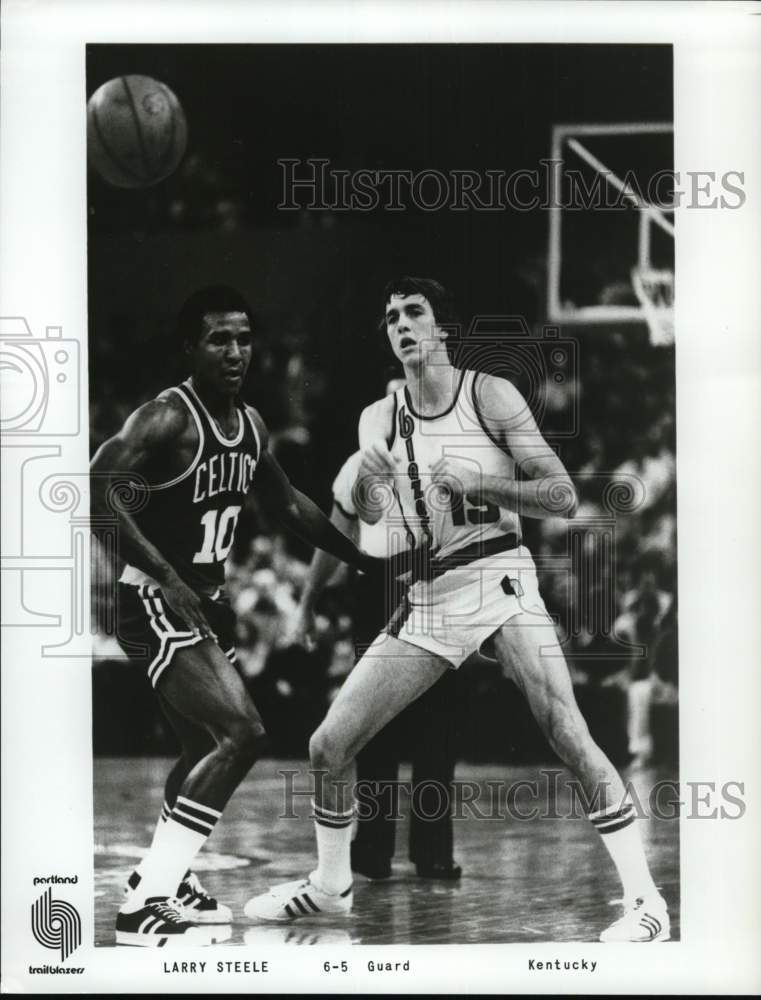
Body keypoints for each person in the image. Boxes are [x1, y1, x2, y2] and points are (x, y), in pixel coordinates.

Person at [246, 276, 670, 942]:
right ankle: (330, 888)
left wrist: (480, 481)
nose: (400, 323)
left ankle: (645, 903)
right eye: (390, 316)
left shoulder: (488, 394)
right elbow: (352, 514)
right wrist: (364, 507)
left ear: (442, 328)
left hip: (498, 573)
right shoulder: (375, 421)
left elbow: (559, 495)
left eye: (414, 312)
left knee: (567, 731)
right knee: (327, 746)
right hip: (429, 593)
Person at [91, 284, 377, 946]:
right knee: (242, 734)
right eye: (219, 338)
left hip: (204, 604)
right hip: (155, 598)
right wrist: (166, 576)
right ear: (190, 347)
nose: (235, 351)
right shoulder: (164, 418)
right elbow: (97, 492)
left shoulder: (248, 424)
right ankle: (143, 904)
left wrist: (363, 559)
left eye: (244, 338)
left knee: (201, 746)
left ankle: (169, 879)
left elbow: (290, 505)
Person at [290, 395, 462, 882]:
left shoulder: (448, 457)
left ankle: (432, 851)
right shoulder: (356, 467)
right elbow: (335, 536)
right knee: (371, 721)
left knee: (440, 720)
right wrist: (307, 602)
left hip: (439, 578)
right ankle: (371, 852)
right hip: (379, 582)